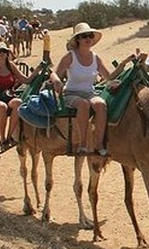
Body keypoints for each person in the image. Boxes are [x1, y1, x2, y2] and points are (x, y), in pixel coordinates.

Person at [49, 22, 134, 157]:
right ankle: (83, 144)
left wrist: (123, 64)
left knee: (100, 105)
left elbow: (109, 76)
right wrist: (57, 81)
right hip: (71, 93)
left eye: (89, 35)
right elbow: (54, 73)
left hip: (89, 92)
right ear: (78, 39)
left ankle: (99, 144)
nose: (88, 38)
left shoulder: (95, 57)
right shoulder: (70, 56)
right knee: (83, 104)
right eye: (84, 36)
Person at [0, 41, 35, 153]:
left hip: (9, 95)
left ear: (7, 53)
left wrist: (37, 70)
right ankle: (2, 139)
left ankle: (9, 136)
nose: (1, 53)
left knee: (18, 102)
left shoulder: (11, 65)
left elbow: (26, 80)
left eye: (4, 51)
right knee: (2, 107)